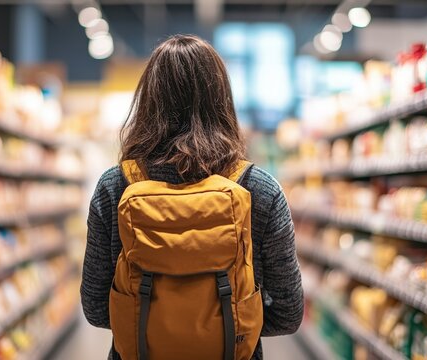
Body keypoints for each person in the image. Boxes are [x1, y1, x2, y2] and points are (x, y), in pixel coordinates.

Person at [81, 34, 303, 360]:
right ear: (222, 98)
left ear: (148, 100)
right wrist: (224, 325)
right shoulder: (260, 189)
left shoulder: (115, 188)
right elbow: (288, 312)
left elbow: (97, 308)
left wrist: (156, 324)